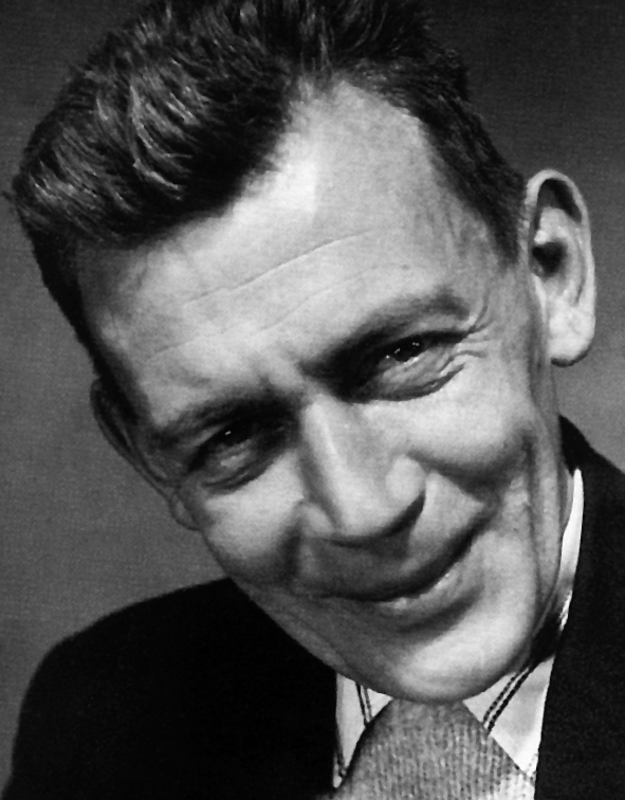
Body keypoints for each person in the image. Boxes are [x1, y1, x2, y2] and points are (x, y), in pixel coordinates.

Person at [3, 0, 625, 797]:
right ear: (148, 455)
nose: (360, 510)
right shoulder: (102, 720)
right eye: (234, 434)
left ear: (549, 275)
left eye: (401, 355)